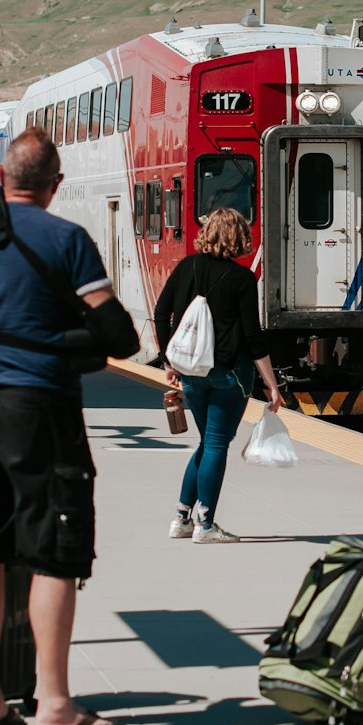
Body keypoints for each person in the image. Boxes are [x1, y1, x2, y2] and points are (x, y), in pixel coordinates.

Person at [0, 126, 134, 725]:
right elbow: (115, 334)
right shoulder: (68, 239)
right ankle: (55, 705)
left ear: (1, 178)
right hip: (42, 406)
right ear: (55, 184)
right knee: (53, 553)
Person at [154, 206, 282, 543]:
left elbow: (160, 312)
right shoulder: (241, 279)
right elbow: (253, 336)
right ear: (239, 237)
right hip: (230, 374)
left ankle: (181, 519)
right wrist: (272, 385)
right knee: (215, 444)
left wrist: (169, 361)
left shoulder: (186, 267)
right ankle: (206, 525)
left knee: (207, 443)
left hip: (191, 374)